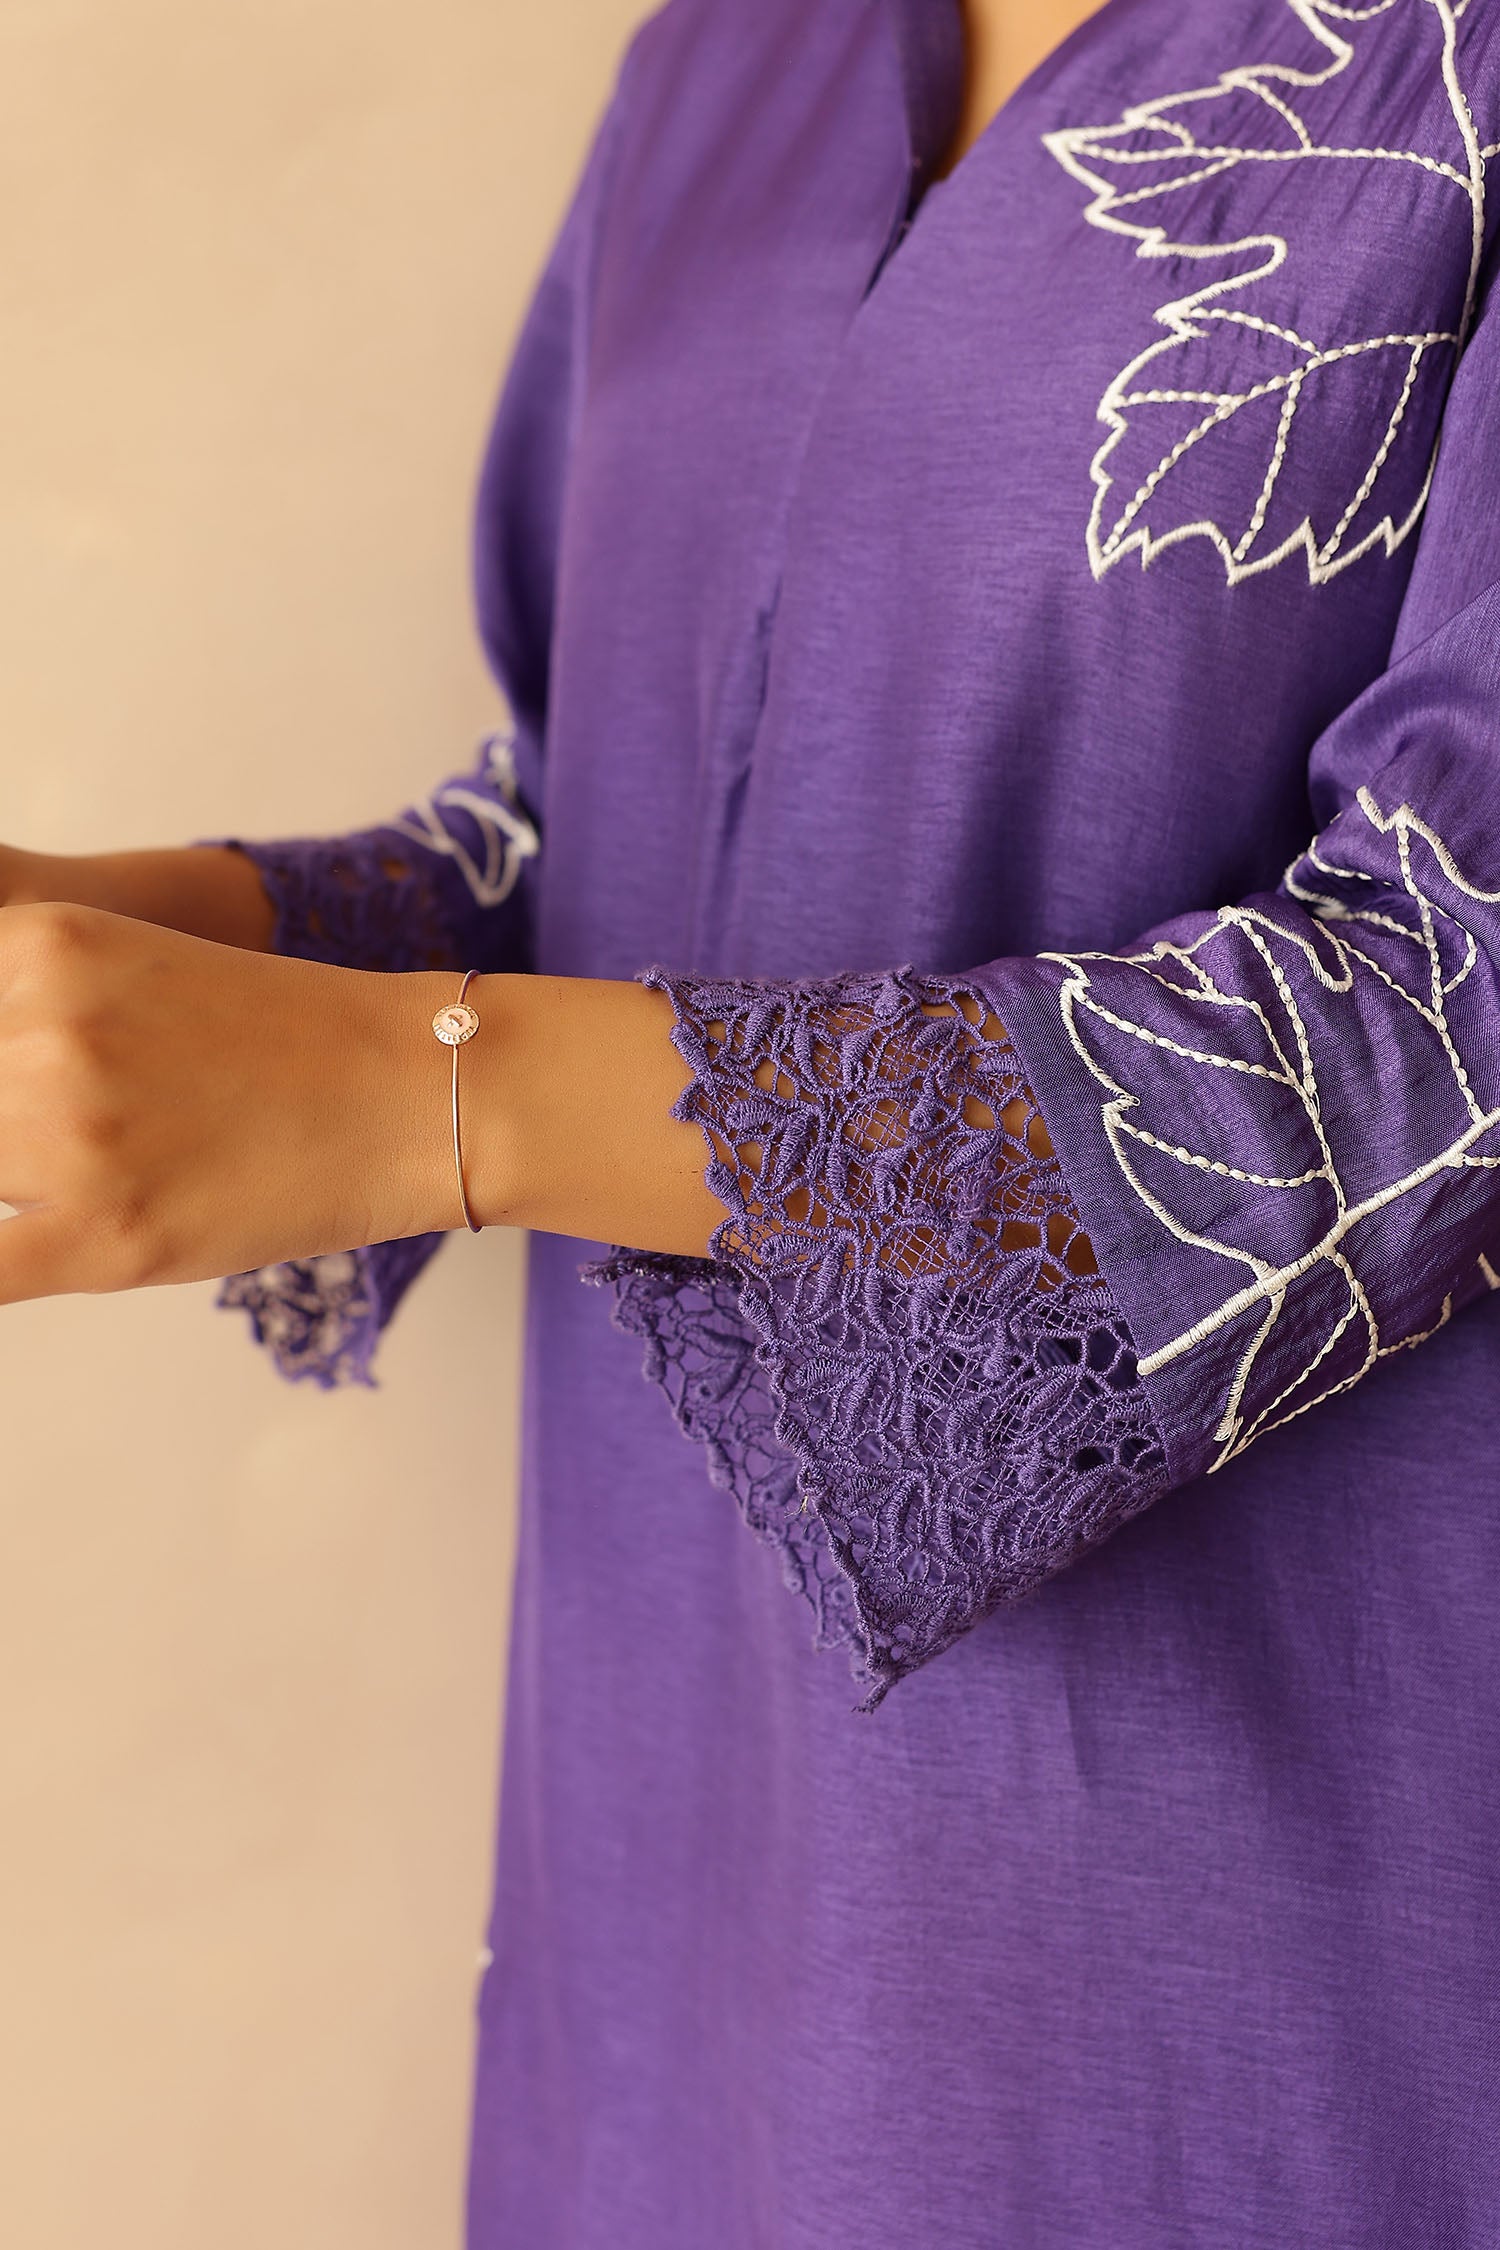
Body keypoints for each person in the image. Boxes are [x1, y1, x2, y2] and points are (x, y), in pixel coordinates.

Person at [4, 0, 1500, 2238]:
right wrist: (137, 946)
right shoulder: (734, 57)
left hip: (1211, 1958)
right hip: (665, 1892)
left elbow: (1447, 1014)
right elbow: (610, 812)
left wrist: (421, 1093)